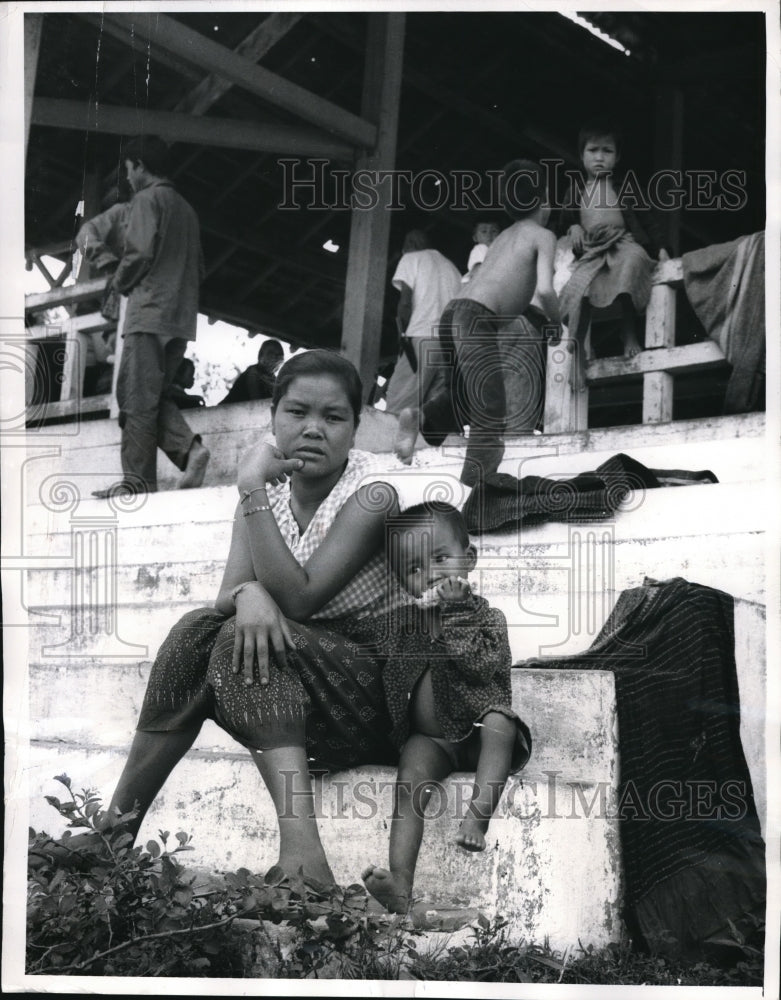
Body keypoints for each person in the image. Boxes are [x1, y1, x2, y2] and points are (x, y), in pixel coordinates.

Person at [83, 350, 412, 887]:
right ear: (273, 418)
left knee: (238, 636)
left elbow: (302, 601)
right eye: (297, 412)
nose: (313, 429)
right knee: (198, 631)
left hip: (370, 700)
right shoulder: (266, 492)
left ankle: (306, 858)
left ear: (357, 428)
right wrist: (248, 591)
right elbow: (224, 596)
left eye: (334, 418)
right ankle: (114, 834)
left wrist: (252, 495)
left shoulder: (373, 493)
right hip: (295, 697)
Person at [361, 501, 531, 914]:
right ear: (403, 583)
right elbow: (370, 652)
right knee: (409, 785)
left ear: (468, 560)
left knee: (501, 723)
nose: (432, 574)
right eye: (416, 570)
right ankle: (400, 882)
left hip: (475, 734)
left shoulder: (488, 617)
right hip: (432, 740)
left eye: (440, 559)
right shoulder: (402, 622)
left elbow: (481, 668)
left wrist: (454, 613)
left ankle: (477, 816)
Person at [394, 160, 561, 486]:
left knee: (465, 395)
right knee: (491, 405)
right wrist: (556, 322)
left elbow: (508, 289)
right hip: (476, 320)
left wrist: (533, 315)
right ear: (546, 201)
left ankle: (421, 416)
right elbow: (544, 288)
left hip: (453, 313)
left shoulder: (502, 240)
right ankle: (477, 485)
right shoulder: (543, 236)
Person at [91, 135, 210, 498]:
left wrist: (117, 286)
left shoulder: (146, 199)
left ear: (139, 166)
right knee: (151, 397)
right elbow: (201, 267)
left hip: (149, 314)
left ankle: (140, 483)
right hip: (180, 318)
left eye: (128, 170)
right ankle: (190, 451)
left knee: (135, 400)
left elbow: (139, 253)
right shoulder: (187, 209)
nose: (127, 178)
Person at [557, 121, 668, 389]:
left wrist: (662, 248)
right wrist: (572, 226)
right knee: (578, 287)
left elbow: (648, 220)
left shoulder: (625, 186)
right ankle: (579, 348)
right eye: (593, 150)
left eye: (607, 151)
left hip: (623, 242)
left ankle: (628, 332)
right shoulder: (575, 190)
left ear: (617, 157)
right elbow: (561, 224)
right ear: (582, 155)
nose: (599, 157)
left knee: (632, 266)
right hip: (592, 249)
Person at [382, 230, 462, 416]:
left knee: (399, 405)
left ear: (409, 244)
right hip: (449, 344)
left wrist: (402, 337)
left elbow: (405, 302)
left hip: (422, 338)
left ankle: (388, 445)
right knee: (433, 411)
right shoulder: (453, 269)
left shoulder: (411, 258)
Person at [219, 338, 284, 405]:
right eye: (271, 353)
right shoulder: (253, 372)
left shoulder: (274, 380)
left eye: (279, 355)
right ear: (261, 355)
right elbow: (258, 403)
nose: (275, 357)